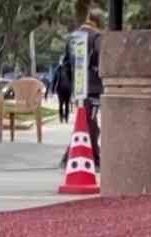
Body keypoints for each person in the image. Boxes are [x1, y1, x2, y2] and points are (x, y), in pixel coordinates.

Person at [61, 10, 104, 168]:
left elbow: (66, 62)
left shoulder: (73, 37)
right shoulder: (97, 37)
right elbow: (101, 59)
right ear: (99, 22)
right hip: (93, 86)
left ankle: (72, 155)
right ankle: (91, 156)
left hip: (77, 85)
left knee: (84, 119)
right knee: (89, 122)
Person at [53, 57, 73, 123]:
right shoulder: (58, 69)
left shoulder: (68, 69)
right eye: (61, 61)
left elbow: (71, 78)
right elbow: (54, 79)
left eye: (63, 61)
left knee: (67, 104)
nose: (62, 62)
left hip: (67, 90)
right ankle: (61, 117)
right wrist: (53, 89)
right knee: (61, 104)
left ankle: (66, 118)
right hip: (60, 90)